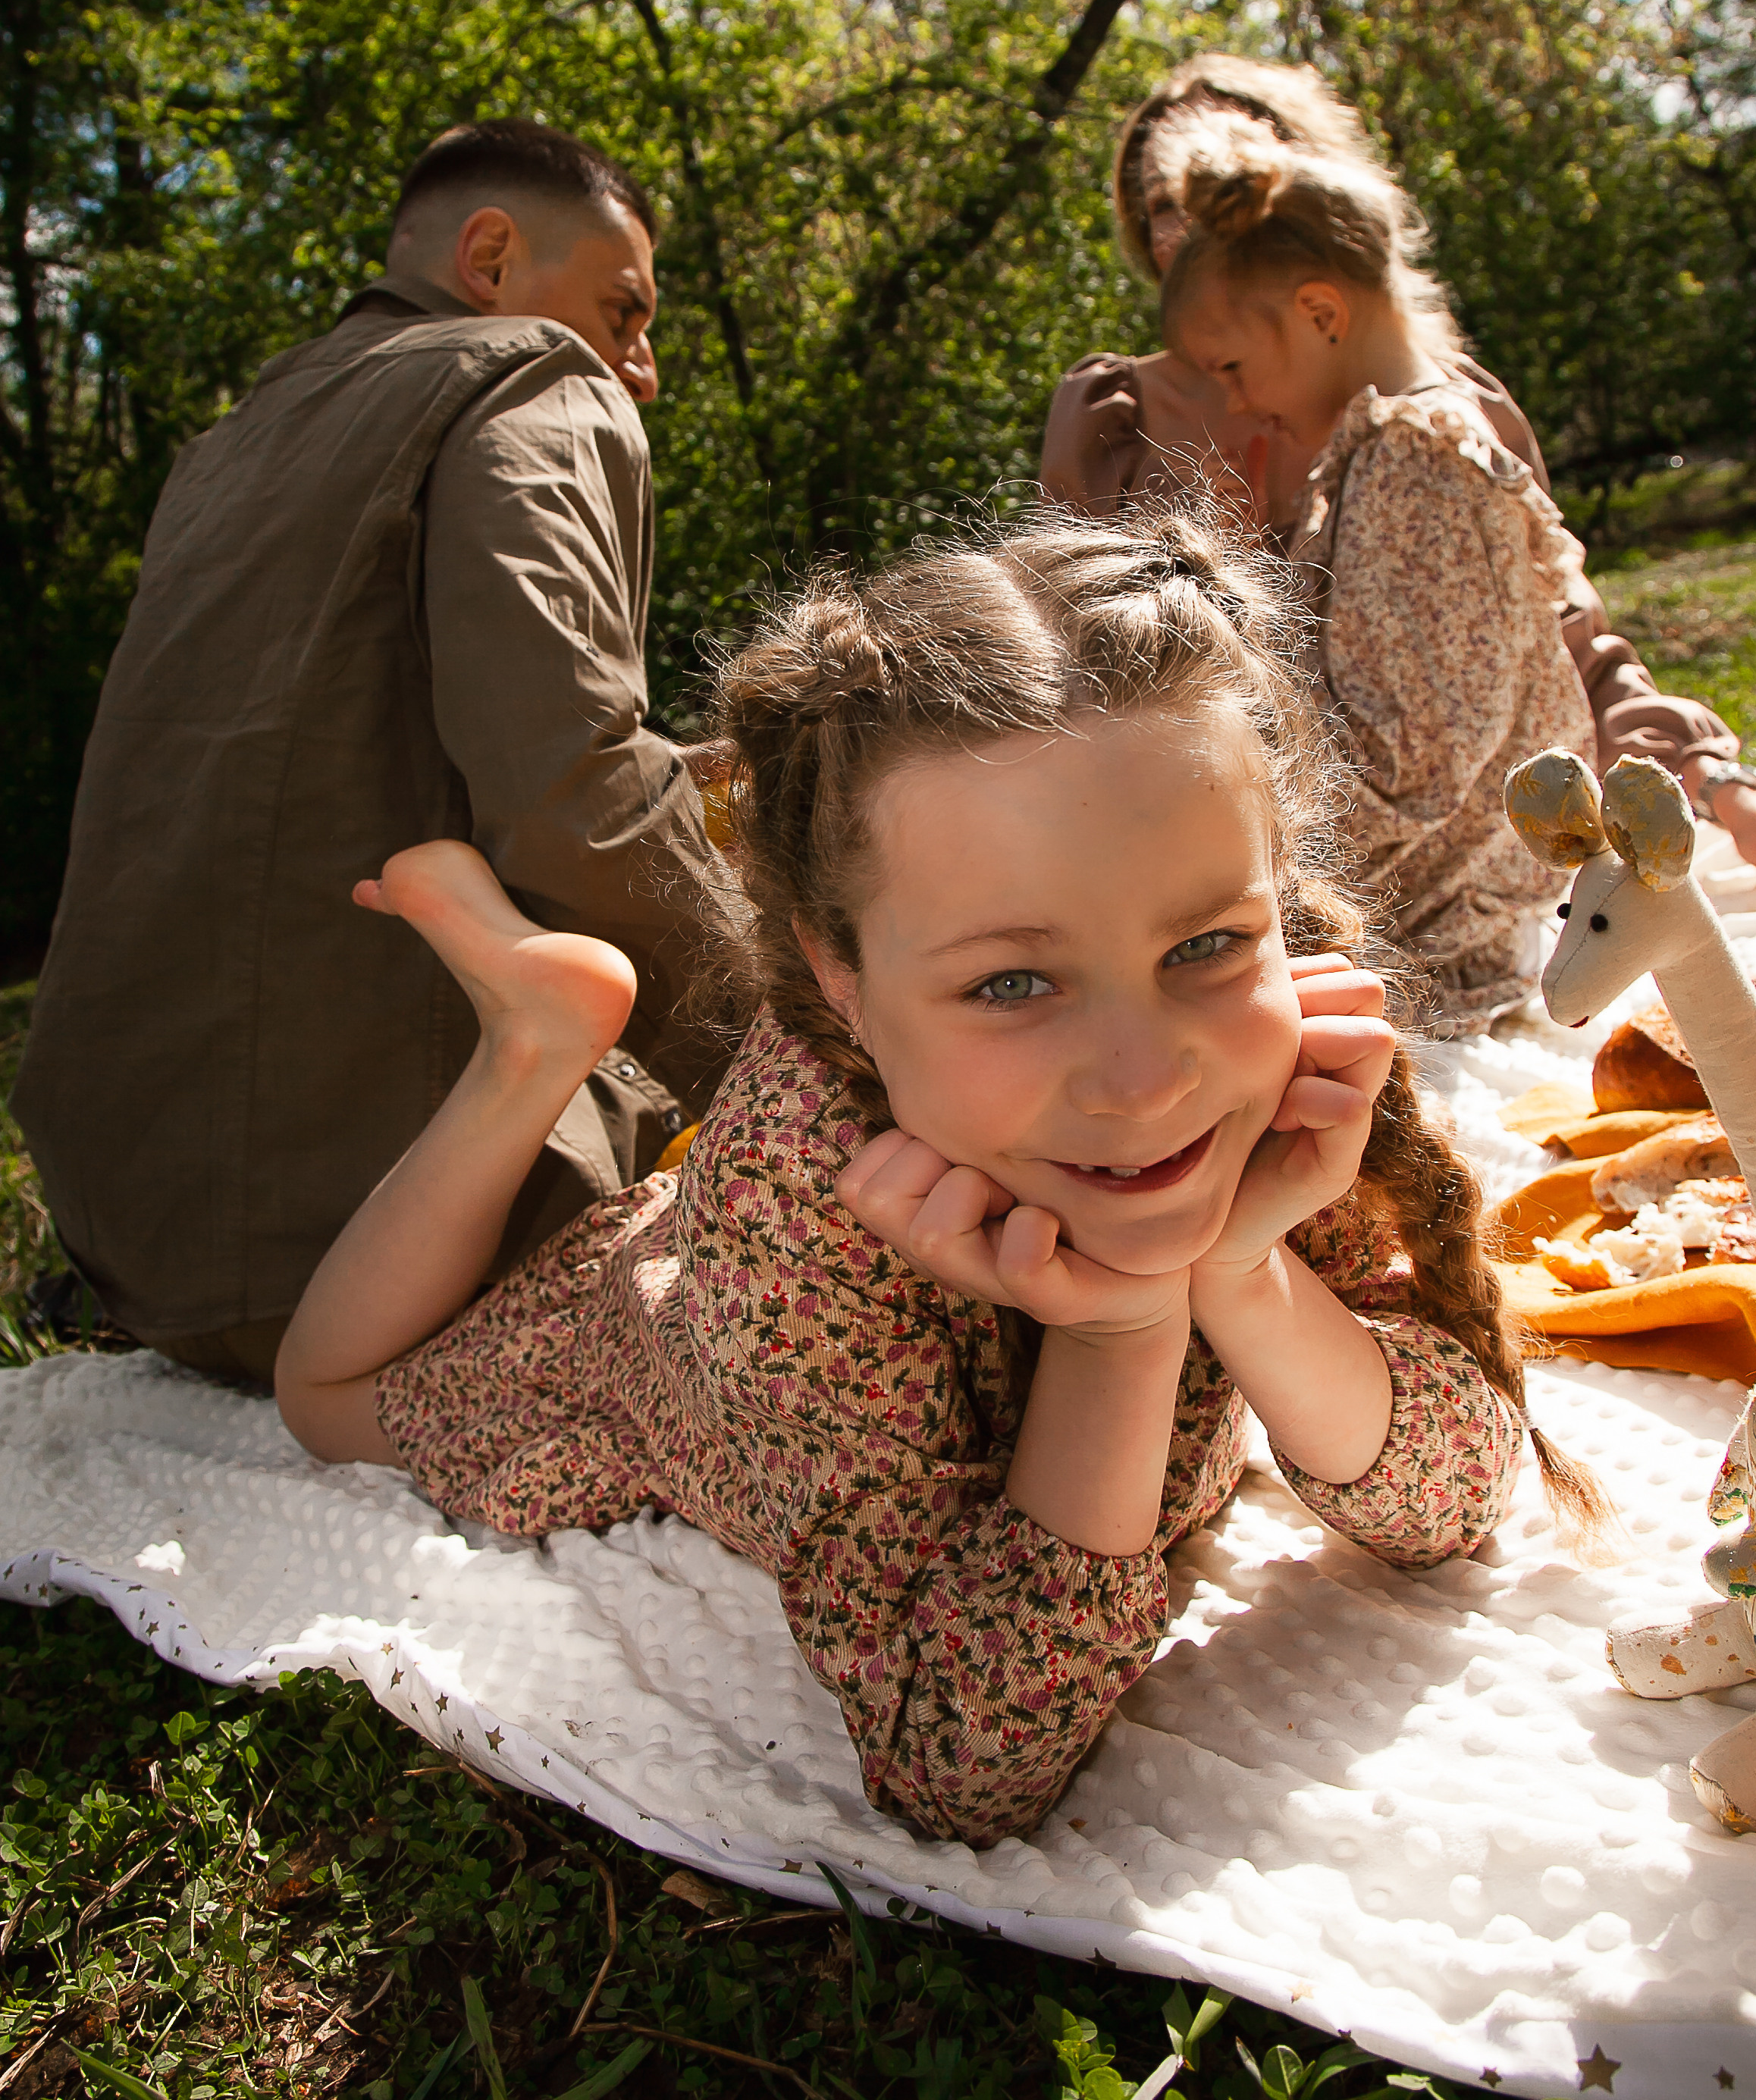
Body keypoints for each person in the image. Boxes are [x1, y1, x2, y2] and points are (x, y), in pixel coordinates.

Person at [273, 506, 1593, 1847]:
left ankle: (554, 1032)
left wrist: (1242, 1273)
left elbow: (1454, 1495)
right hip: (658, 1336)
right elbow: (959, 1758)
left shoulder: (1276, 1073)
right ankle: (533, 1045)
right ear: (839, 975)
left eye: (1205, 942)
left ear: (1274, 897)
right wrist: (1123, 1327)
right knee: (321, 1397)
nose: (1141, 1079)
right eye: (1012, 981)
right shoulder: (794, 1194)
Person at [14, 118, 740, 1384]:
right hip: (388, 1244)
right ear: (492, 255)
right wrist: (798, 1047)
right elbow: (569, 786)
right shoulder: (530, 373)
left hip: (143, 1235)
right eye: (625, 311)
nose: (642, 366)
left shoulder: (228, 442)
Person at [1042, 51, 1756, 895]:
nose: (1191, 223)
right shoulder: (1110, 419)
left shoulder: (1432, 420)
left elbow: (1562, 639)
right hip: (1205, 862)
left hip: (1443, 878)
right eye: (1163, 204)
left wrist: (1720, 788)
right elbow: (1074, 679)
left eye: (1222, 185)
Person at [1156, 121, 1598, 1026]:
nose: (1234, 400)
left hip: (1442, 937)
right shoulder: (1377, 452)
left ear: (1320, 314)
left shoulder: (1418, 460)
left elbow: (1414, 765)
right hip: (1417, 910)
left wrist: (1223, 836)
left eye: (1231, 367)